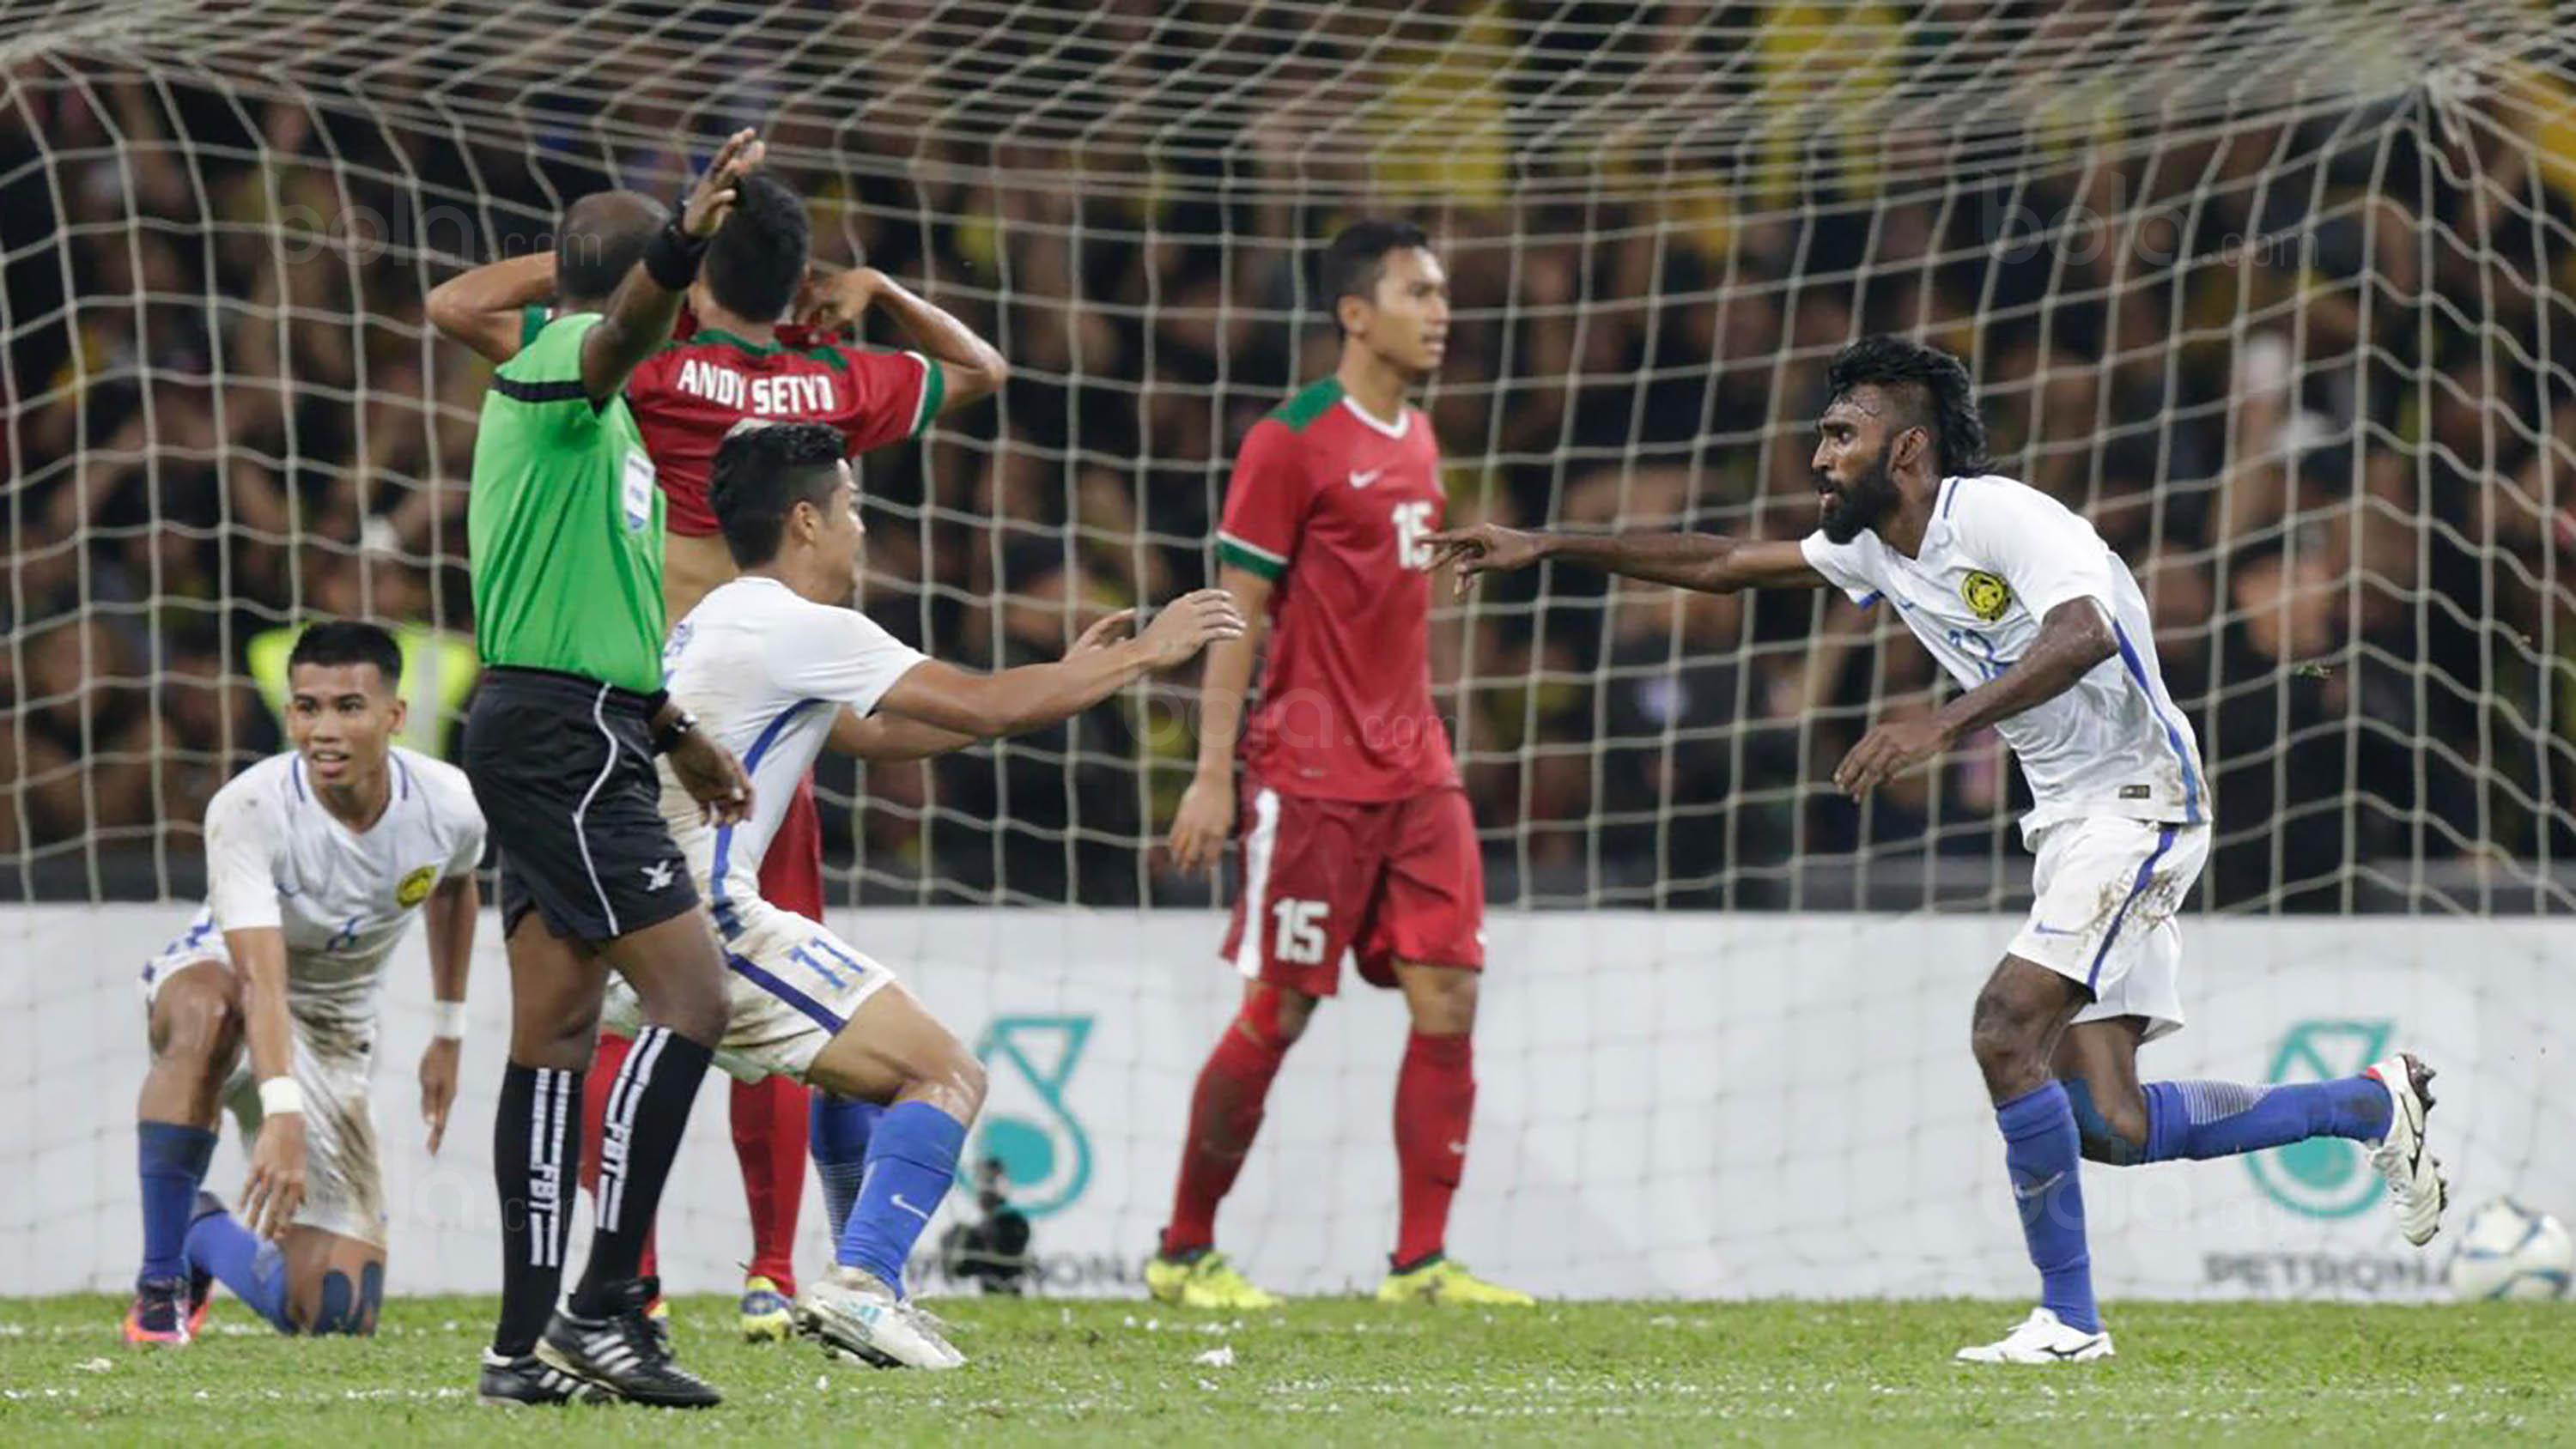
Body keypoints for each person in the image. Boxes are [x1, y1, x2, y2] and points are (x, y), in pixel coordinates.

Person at [1429, 334, 2447, 1363]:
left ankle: (2069, 1323)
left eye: (1841, 433)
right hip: (2066, 819)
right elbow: (1725, 562)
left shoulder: (1999, 515)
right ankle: (2370, 1102)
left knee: (2005, 1026)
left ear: (1906, 449)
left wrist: (1943, 723)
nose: (1820, 456)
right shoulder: (1878, 547)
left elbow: (2087, 629)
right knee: (2113, 1122)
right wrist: (1548, 545)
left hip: (2142, 801)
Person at [428, 169, 1007, 1340]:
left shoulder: (645, 363)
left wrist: (616, 266)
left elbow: (455, 306)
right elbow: (989, 371)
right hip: (735, 717)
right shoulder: (831, 381)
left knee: (617, 1010)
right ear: (798, 280)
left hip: (663, 706)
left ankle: (607, 1289)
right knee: (757, 999)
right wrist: (880, 288)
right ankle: (768, 1268)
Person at [595, 421, 1242, 1367]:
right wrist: (1145, 653)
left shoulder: (733, 619)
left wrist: (1071, 678)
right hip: (705, 918)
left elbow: (881, 736)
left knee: (857, 1057)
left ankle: (866, 1284)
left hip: (657, 913)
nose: (864, 525)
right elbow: (984, 703)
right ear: (808, 520)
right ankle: (862, 1285)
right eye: (852, 505)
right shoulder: (796, 624)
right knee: (947, 1072)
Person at [1150, 220, 1531, 1310]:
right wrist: (1213, 771)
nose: (1441, 309)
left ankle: (1419, 1262)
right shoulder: (1292, 440)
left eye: (1444, 291)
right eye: (1419, 289)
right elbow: (1237, 615)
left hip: (1417, 768)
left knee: (1450, 992)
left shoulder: (1419, 437)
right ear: (1354, 312)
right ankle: (1183, 1249)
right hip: (1310, 777)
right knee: (1279, 1011)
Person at [457, 130, 763, 1410]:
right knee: (693, 999)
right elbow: (610, 326)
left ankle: (519, 1347)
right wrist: (672, 248)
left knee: (558, 1033)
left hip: (587, 723)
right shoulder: (567, 369)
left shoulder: (596, 417)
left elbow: (451, 301)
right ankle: (602, 1308)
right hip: (559, 735)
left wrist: (668, 725)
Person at [128, 621, 483, 1343]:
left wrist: (448, 1031)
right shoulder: (250, 806)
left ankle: (199, 1231)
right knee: (209, 1010)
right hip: (228, 983)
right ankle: (160, 1279)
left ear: (395, 716)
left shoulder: (448, 803)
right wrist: (280, 1112)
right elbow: (261, 979)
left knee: (337, 1315)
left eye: (348, 707)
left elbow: (453, 889)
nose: (323, 729)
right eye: (306, 707)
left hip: (338, 1030)